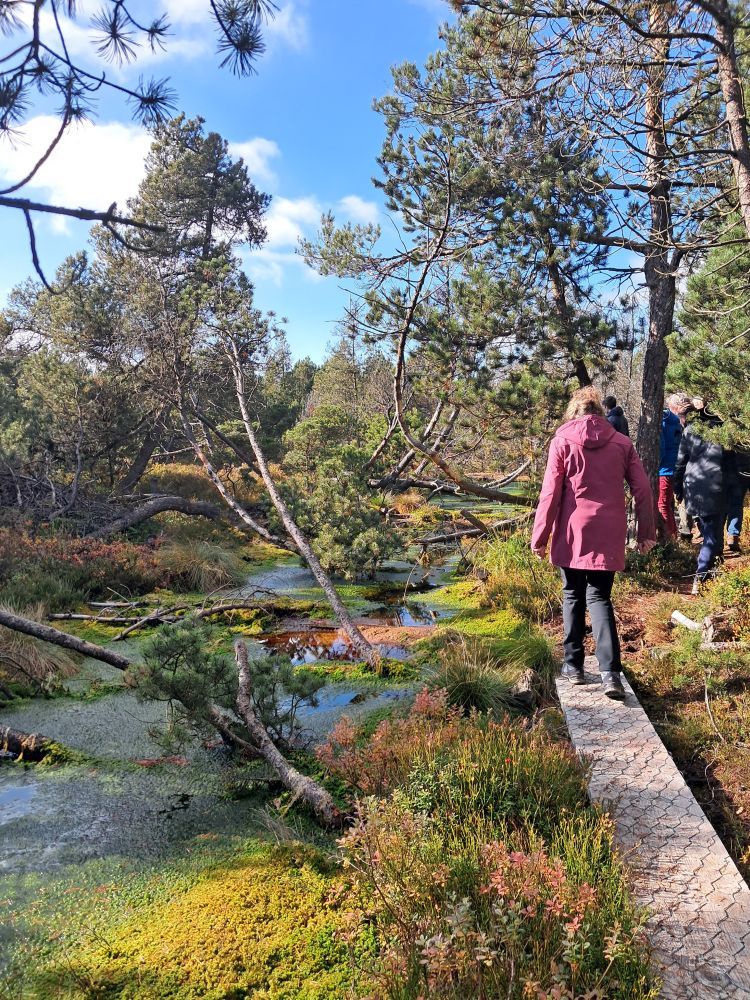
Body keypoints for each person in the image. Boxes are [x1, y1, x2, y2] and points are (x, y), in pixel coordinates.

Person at [531, 387, 656, 700]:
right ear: (600, 412)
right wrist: (646, 533)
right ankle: (610, 674)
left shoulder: (561, 442)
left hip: (572, 532)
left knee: (573, 593)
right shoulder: (622, 443)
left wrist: (540, 536)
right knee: (599, 596)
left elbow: (550, 494)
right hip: (608, 531)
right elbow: (643, 490)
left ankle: (573, 667)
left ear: (574, 411)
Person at [673, 402, 731, 593]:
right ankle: (702, 573)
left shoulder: (689, 431)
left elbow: (681, 462)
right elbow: (731, 462)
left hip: (694, 485)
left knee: (710, 532)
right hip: (716, 485)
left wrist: (678, 488)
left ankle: (713, 569)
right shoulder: (723, 430)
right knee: (712, 536)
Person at [658, 399, 684, 539]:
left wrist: (656, 464)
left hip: (664, 469)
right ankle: (673, 534)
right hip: (674, 466)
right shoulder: (675, 420)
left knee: (662, 505)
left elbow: (660, 447)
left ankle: (668, 540)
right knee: (667, 504)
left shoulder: (662, 421)